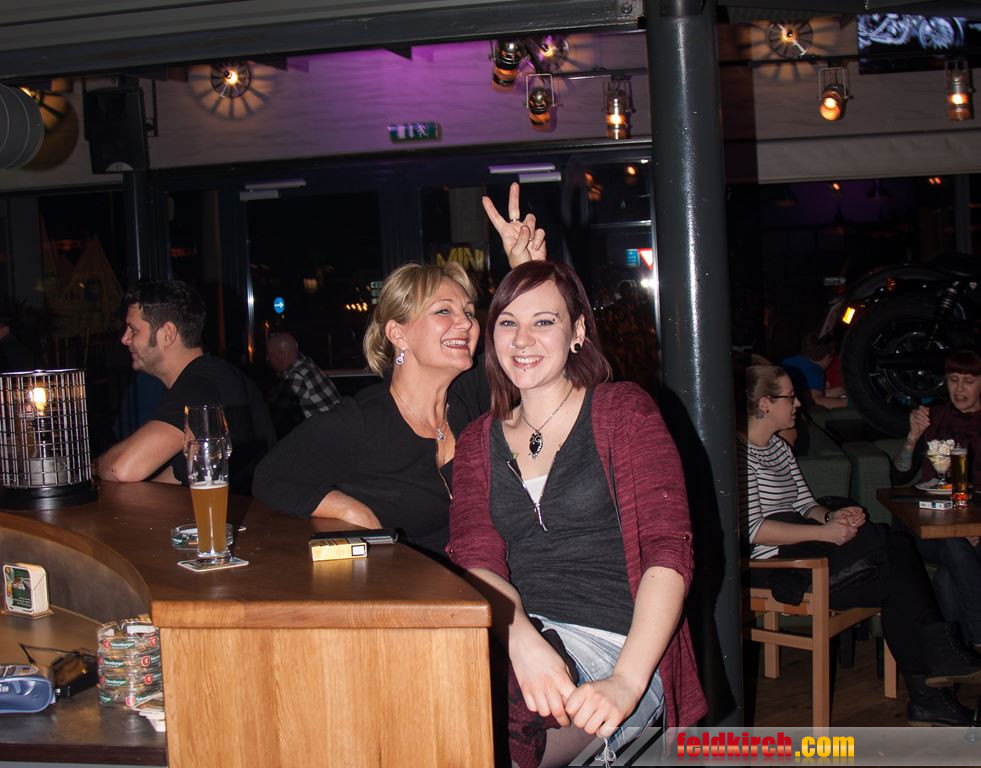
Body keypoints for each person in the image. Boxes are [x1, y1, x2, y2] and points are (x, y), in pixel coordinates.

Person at [447, 261, 706, 768]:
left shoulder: (623, 411)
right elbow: (476, 561)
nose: (522, 339)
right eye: (507, 322)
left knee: (494, 725)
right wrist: (522, 639)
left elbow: (667, 555)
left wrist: (626, 681)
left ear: (578, 331)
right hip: (519, 636)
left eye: (543, 321)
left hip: (620, 646)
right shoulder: (477, 440)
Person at [252, 183, 545, 558]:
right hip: (415, 588)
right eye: (444, 311)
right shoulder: (360, 423)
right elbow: (270, 478)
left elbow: (538, 348)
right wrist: (349, 509)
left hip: (489, 573)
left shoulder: (469, 397)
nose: (466, 323)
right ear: (397, 333)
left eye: (469, 313)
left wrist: (529, 271)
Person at [738, 364, 981, 726]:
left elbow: (806, 504)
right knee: (895, 557)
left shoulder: (778, 447)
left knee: (896, 572)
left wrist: (833, 516)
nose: (799, 403)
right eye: (790, 397)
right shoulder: (737, 455)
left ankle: (931, 691)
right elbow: (754, 530)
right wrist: (824, 533)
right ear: (764, 404)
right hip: (780, 567)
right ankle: (933, 681)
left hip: (810, 550)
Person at [94, 280, 276, 494]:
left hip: (241, 513)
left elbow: (120, 470)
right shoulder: (210, 376)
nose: (124, 339)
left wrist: (91, 468)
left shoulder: (199, 385)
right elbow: (176, 476)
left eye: (133, 330)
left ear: (168, 334)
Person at [891, 347, 981, 651]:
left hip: (975, 528)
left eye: (968, 381)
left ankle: (957, 654)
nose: (959, 389)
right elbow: (900, 475)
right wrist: (913, 437)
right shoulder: (934, 418)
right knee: (954, 543)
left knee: (947, 578)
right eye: (954, 379)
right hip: (933, 528)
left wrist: (976, 528)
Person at [265, 331, 340, 432]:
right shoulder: (308, 364)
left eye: (270, 355)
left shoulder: (294, 376)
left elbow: (275, 417)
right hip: (339, 427)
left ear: (282, 355)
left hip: (329, 433)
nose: (267, 359)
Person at [781, 333, 849, 410]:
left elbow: (809, 394)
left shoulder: (790, 361)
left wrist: (840, 391)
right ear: (827, 356)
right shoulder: (815, 371)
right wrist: (847, 402)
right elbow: (816, 402)